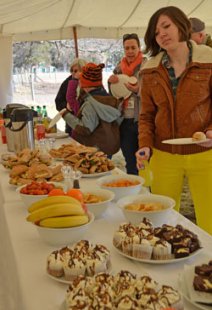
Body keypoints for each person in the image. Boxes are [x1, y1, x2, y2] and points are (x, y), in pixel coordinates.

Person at [135, 6, 212, 234]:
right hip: (163, 154)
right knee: (162, 221)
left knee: (210, 220)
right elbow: (146, 115)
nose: (162, 34)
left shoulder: (208, 61)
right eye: (157, 32)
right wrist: (144, 145)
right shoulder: (149, 70)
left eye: (166, 26)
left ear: (182, 25)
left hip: (205, 153)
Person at [60, 62, 123, 156]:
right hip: (108, 146)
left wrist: (66, 115)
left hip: (92, 149)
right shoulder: (111, 99)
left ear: (84, 83)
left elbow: (85, 129)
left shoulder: (90, 103)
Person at [108, 33, 143, 175]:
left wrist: (138, 90)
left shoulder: (147, 66)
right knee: (130, 160)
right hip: (124, 121)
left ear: (139, 48)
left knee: (145, 162)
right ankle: (134, 193)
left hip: (143, 120)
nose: (130, 51)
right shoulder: (118, 69)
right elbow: (114, 95)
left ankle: (149, 193)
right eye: (126, 48)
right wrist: (110, 82)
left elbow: (155, 92)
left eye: (133, 47)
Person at [55, 58, 86, 135]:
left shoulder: (90, 81)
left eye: (75, 71)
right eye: (71, 71)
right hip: (71, 124)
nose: (73, 73)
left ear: (83, 70)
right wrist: (66, 105)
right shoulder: (67, 82)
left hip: (88, 121)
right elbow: (58, 102)